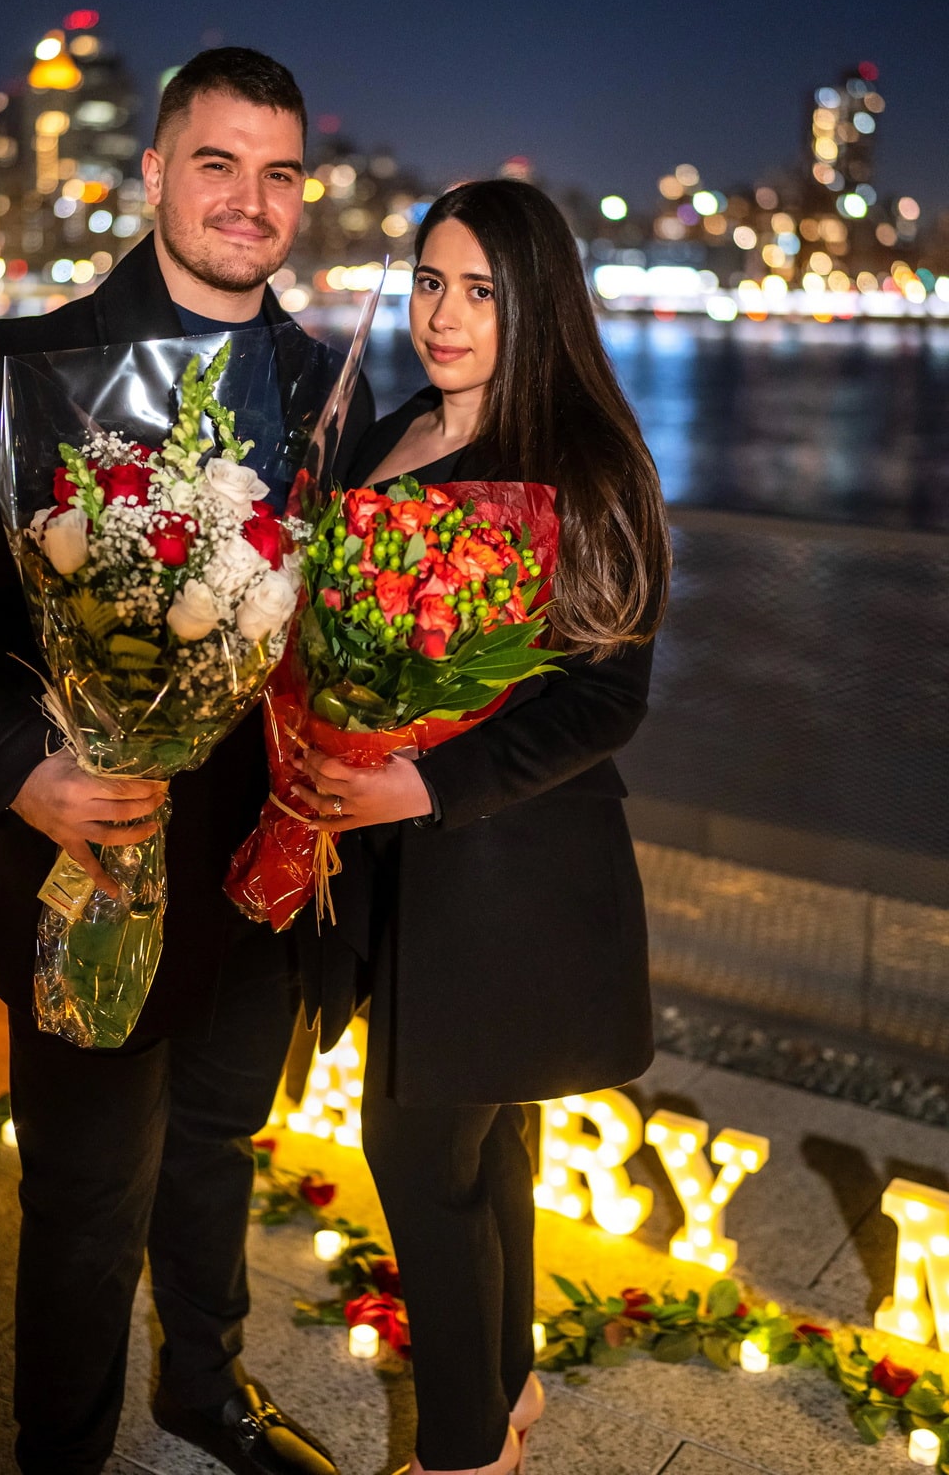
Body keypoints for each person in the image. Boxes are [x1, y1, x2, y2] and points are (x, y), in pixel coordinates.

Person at [0, 47, 371, 1475]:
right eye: (216, 163)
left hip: (255, 884)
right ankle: (64, 1447)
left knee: (220, 1150)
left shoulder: (322, 387)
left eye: (278, 172)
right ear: (155, 173)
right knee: (90, 1198)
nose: (250, 199)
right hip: (87, 861)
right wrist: (18, 775)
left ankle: (203, 1393)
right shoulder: (34, 371)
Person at [289, 179, 671, 1475]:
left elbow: (607, 698)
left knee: (417, 1140)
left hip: (507, 874)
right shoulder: (395, 424)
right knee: (486, 1134)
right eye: (430, 283)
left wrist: (428, 785)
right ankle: (506, 1393)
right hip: (396, 864)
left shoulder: (585, 459)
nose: (444, 316)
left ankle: (461, 1456)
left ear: (539, 302)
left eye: (482, 291)